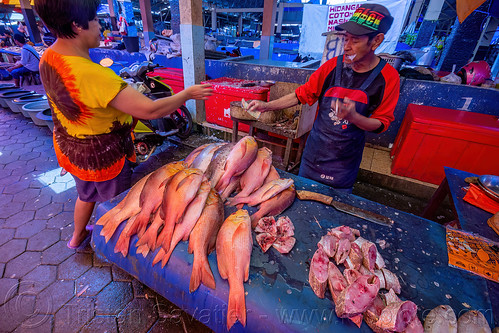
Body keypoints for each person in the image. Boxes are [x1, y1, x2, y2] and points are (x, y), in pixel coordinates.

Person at [34, 0, 213, 249]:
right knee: (119, 203)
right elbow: (151, 110)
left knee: (85, 195)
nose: (101, 27)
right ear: (77, 25)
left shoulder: (49, 58)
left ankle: (76, 239)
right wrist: (187, 94)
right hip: (104, 156)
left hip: (71, 150)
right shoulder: (95, 75)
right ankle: (118, 247)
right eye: (95, 20)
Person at [247, 4, 400, 193]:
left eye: (355, 40)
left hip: (344, 164)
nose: (347, 46)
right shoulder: (331, 67)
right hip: (314, 155)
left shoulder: (388, 77)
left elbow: (381, 123)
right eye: (345, 38)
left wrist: (354, 118)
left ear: (376, 41)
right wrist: (267, 106)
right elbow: (301, 94)